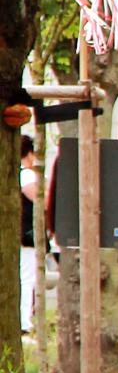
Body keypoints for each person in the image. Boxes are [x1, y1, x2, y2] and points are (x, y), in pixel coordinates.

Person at [19, 134, 37, 333]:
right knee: (27, 278)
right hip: (27, 235)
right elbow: (43, 202)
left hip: (21, 235)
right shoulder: (28, 176)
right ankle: (25, 321)